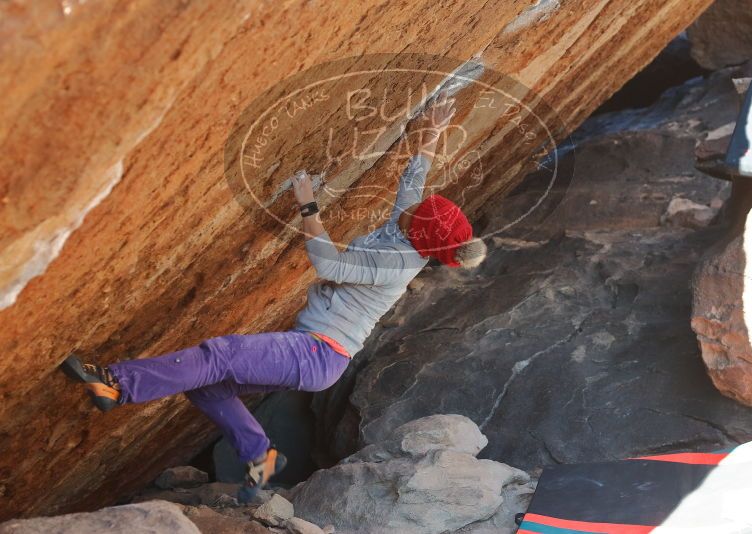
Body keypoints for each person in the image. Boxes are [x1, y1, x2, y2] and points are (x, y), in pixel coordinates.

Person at [60, 92, 488, 502]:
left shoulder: (398, 262)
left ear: (420, 234)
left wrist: (308, 206)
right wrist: (433, 130)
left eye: (417, 210)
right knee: (208, 387)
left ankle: (117, 384)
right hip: (316, 353)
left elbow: (331, 266)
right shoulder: (411, 226)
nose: (412, 205)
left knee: (219, 356)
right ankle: (258, 455)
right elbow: (415, 177)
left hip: (318, 352)